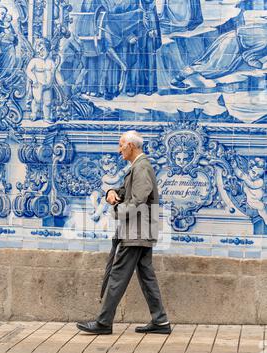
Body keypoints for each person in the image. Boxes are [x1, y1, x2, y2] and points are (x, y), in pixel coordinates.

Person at [77, 130, 171, 335]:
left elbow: (138, 198)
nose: (119, 149)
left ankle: (103, 322)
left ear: (131, 146)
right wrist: (111, 193)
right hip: (140, 230)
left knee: (118, 274)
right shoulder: (137, 167)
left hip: (136, 231)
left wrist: (118, 210)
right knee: (146, 276)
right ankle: (160, 321)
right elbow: (127, 192)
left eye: (121, 145)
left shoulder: (142, 167)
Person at [26, 38, 59, 122]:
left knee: (48, 102)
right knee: (37, 100)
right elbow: (28, 70)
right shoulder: (34, 61)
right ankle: (34, 113)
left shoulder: (50, 61)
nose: (41, 52)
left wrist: (55, 82)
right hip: (38, 84)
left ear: (48, 50)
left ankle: (46, 117)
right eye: (39, 50)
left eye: (43, 50)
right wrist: (34, 80)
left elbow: (55, 73)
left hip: (48, 85)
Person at [232, 157, 267, 225]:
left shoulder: (260, 181)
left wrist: (245, 178)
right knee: (261, 206)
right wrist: (235, 168)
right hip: (253, 200)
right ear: (249, 169)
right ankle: (266, 219)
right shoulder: (246, 177)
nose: (255, 175)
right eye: (253, 172)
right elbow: (239, 174)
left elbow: (252, 185)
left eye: (258, 175)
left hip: (262, 198)